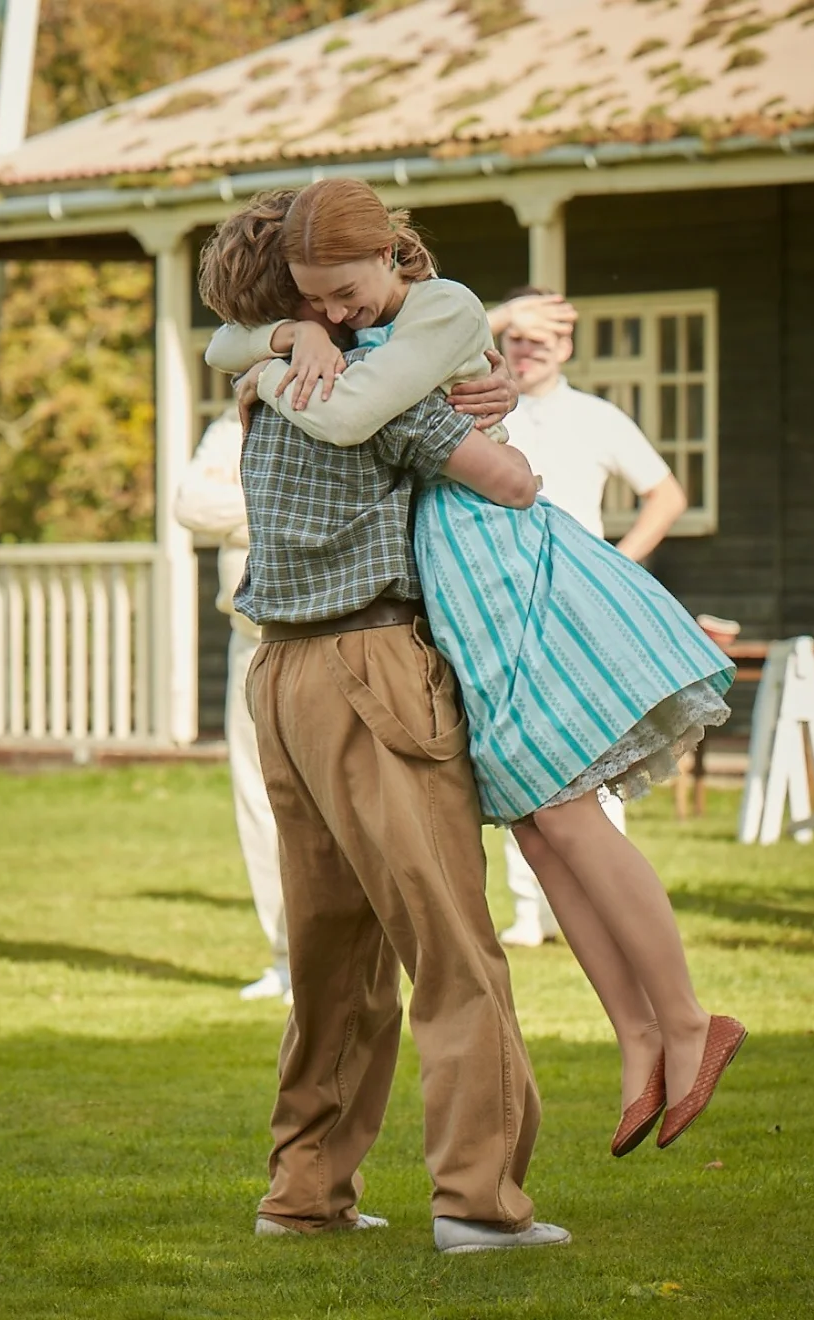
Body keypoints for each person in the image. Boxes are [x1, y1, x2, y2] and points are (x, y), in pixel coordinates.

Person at [206, 180, 743, 1188]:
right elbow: (246, 355)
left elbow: (481, 464)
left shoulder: (436, 309)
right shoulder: (336, 348)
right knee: (541, 826)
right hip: (442, 600)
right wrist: (287, 344)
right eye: (307, 301)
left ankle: (680, 1018)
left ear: (390, 254)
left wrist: (284, 352)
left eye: (338, 295)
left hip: (496, 570)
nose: (331, 314)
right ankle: (641, 1035)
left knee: (564, 814)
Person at [199, 192, 572, 1256]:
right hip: (374, 667)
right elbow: (512, 485)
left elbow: (233, 343)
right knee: (452, 944)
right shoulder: (374, 392)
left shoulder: (261, 398)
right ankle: (479, 1204)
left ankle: (305, 1193)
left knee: (333, 961)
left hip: (278, 676)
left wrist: (276, 343)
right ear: (306, 300)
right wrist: (484, 417)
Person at [489, 285, 691, 948]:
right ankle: (529, 911)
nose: (526, 353)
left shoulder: (597, 417)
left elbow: (665, 495)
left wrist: (618, 564)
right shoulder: (481, 408)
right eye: (517, 339)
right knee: (520, 756)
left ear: (564, 347)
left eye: (540, 342)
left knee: (595, 754)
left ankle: (608, 904)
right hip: (502, 603)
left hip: (579, 605)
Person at [172, 409, 291, 1003]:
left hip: (327, 636)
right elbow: (191, 504)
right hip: (251, 638)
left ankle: (349, 959)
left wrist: (248, 491)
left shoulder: (352, 396)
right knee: (259, 800)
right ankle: (287, 959)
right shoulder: (232, 423)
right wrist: (277, 496)